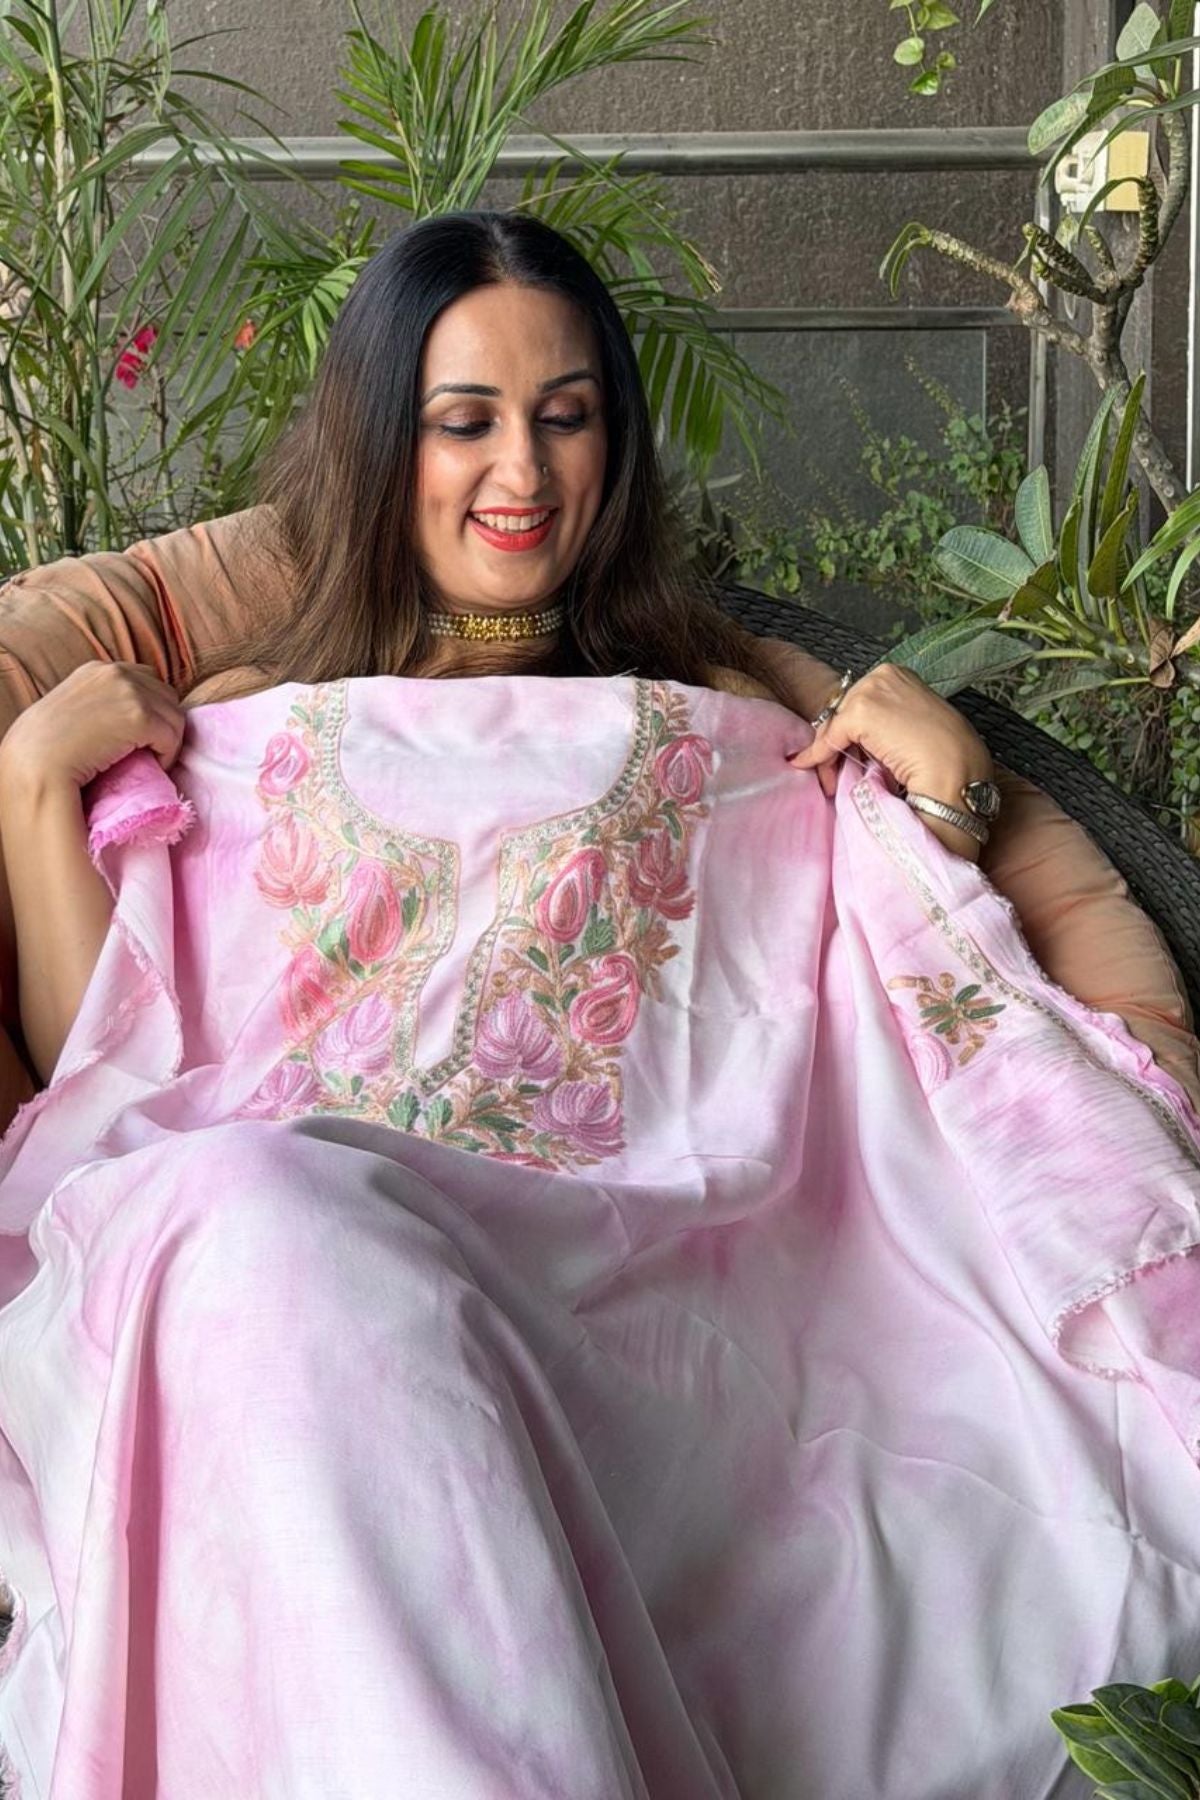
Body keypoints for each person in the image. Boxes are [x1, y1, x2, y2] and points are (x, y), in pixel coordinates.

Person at [0, 210, 1196, 1799]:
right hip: (277, 1248)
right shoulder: (242, 721)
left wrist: (951, 797)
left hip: (635, 1298)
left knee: (262, 1234)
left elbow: (863, 1009)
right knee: (249, 1215)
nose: (523, 472)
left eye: (565, 417)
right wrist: (31, 783)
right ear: (381, 441)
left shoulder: (729, 713)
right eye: (466, 421)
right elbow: (109, 1073)